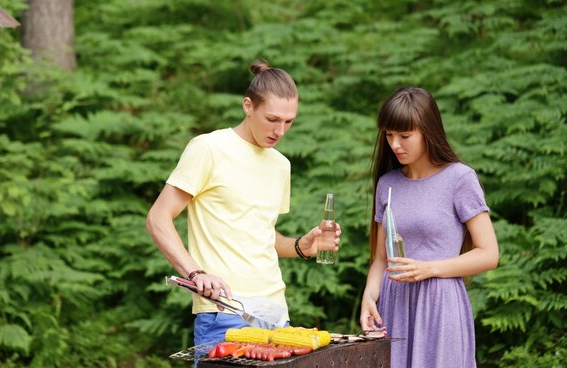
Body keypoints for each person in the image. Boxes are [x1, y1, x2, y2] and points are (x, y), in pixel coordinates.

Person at [146, 59, 341, 346]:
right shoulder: (209, 148)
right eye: (272, 120)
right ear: (248, 106)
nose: (280, 131)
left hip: (275, 313)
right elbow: (158, 219)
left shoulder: (280, 165)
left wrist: (302, 245)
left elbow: (262, 235)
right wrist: (195, 273)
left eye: (289, 122)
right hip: (224, 310)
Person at [359, 87, 499, 367]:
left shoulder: (460, 179)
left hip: (439, 307)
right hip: (394, 306)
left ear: (428, 131)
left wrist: (428, 269)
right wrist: (369, 296)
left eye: (404, 136)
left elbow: (489, 254)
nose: (395, 144)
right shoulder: (387, 184)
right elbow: (380, 260)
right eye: (389, 135)